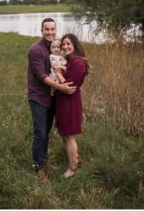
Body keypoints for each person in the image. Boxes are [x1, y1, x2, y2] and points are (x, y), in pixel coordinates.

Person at [26, 17, 75, 185]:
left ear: (56, 30)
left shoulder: (56, 48)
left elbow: (66, 62)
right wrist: (61, 88)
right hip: (38, 97)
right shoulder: (35, 50)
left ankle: (44, 160)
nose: (50, 32)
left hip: (52, 97)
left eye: (53, 29)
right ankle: (38, 167)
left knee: (46, 132)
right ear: (42, 31)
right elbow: (41, 76)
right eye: (46, 29)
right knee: (40, 133)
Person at [54, 33, 88, 178]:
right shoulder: (70, 61)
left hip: (70, 102)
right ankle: (76, 158)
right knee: (63, 132)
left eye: (68, 44)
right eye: (63, 44)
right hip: (63, 101)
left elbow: (69, 87)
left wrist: (58, 73)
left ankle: (72, 168)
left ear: (75, 45)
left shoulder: (78, 63)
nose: (65, 47)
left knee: (68, 135)